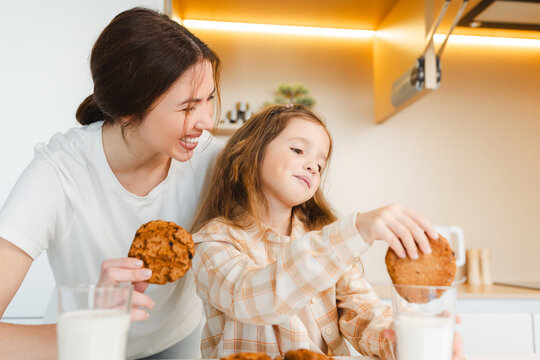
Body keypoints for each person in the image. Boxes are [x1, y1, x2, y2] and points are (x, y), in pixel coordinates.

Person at [0, 7, 222, 360]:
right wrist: (94, 326)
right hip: (78, 347)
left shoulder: (213, 162)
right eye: (186, 108)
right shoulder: (58, 172)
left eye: (208, 99)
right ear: (128, 110)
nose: (207, 122)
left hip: (176, 340)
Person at [191, 104, 465, 359]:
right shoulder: (213, 241)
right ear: (252, 150)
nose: (312, 165)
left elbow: (364, 314)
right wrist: (355, 230)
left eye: (320, 165)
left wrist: (405, 338)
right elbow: (250, 297)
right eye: (298, 150)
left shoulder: (323, 238)